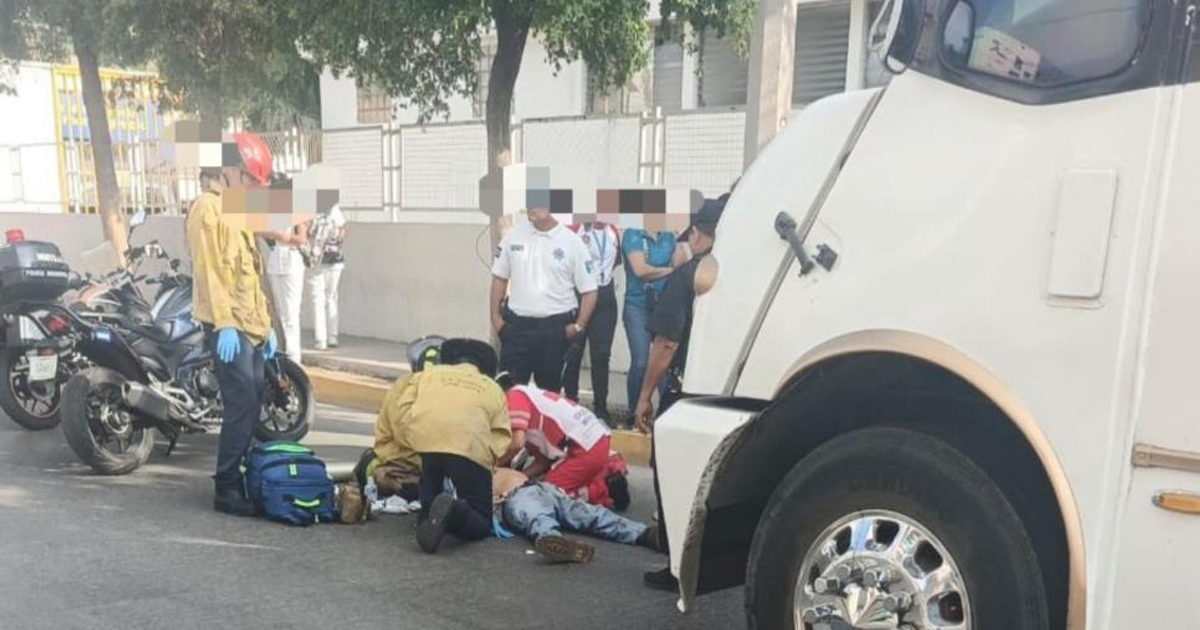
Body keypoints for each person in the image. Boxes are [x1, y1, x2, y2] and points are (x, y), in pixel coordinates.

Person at [633, 197, 726, 591]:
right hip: (731, 394)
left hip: (688, 393)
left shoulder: (687, 275)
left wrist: (644, 396)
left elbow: (666, 344)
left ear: (698, 234)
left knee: (673, 477)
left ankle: (677, 565)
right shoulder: (746, 275)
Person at [185, 131, 279, 516]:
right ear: (228, 172)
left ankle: (242, 474)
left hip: (250, 326)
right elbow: (211, 272)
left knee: (255, 399)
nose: (255, 189)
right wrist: (224, 323)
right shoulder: (207, 209)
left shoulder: (236, 211)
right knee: (241, 404)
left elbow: (250, 276)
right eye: (251, 180)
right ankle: (225, 488)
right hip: (229, 327)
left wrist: (267, 325)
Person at [403, 338, 512, 554]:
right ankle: (453, 511)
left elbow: (404, 409)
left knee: (431, 484)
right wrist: (486, 462)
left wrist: (417, 438)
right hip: (469, 449)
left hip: (428, 444)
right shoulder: (491, 387)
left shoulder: (426, 376)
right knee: (481, 521)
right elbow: (501, 435)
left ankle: (429, 514)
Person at [490, 204, 598, 392]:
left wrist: (578, 326)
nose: (531, 207)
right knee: (509, 396)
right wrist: (497, 321)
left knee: (551, 399)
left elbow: (590, 291)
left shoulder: (572, 242)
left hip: (555, 332)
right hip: (516, 330)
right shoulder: (513, 236)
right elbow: (499, 278)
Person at [493, 468, 661, 564]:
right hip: (518, 494)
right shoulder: (481, 472)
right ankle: (552, 540)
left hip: (543, 488)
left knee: (588, 513)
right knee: (538, 516)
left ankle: (646, 534)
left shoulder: (491, 463)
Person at [620, 226, 690, 426]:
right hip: (637, 306)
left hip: (664, 304)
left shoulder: (669, 236)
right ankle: (634, 413)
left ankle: (664, 416)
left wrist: (681, 243)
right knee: (641, 361)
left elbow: (684, 261)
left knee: (663, 363)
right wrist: (670, 270)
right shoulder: (633, 235)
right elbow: (641, 270)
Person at [503, 382, 613, 500]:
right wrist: (519, 478)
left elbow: (517, 444)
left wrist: (494, 466)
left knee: (544, 498)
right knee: (536, 488)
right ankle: (600, 478)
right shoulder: (525, 399)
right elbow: (543, 463)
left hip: (587, 446)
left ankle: (600, 489)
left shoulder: (514, 397)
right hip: (592, 439)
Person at [562, 220, 620, 421]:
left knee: (602, 354)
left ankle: (601, 407)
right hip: (579, 294)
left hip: (605, 297)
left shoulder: (612, 231)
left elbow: (615, 262)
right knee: (574, 351)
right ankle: (570, 402)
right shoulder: (573, 229)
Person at [260, 218, 307, 363]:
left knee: (291, 315)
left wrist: (280, 236)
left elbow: (301, 238)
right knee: (279, 313)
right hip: (275, 260)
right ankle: (282, 355)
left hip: (291, 261)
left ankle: (293, 359)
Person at [305, 203, 347, 351]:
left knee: (318, 298)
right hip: (335, 259)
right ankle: (332, 336)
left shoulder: (311, 210)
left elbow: (307, 232)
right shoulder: (336, 211)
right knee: (331, 296)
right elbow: (343, 233)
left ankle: (320, 339)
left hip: (317, 259)